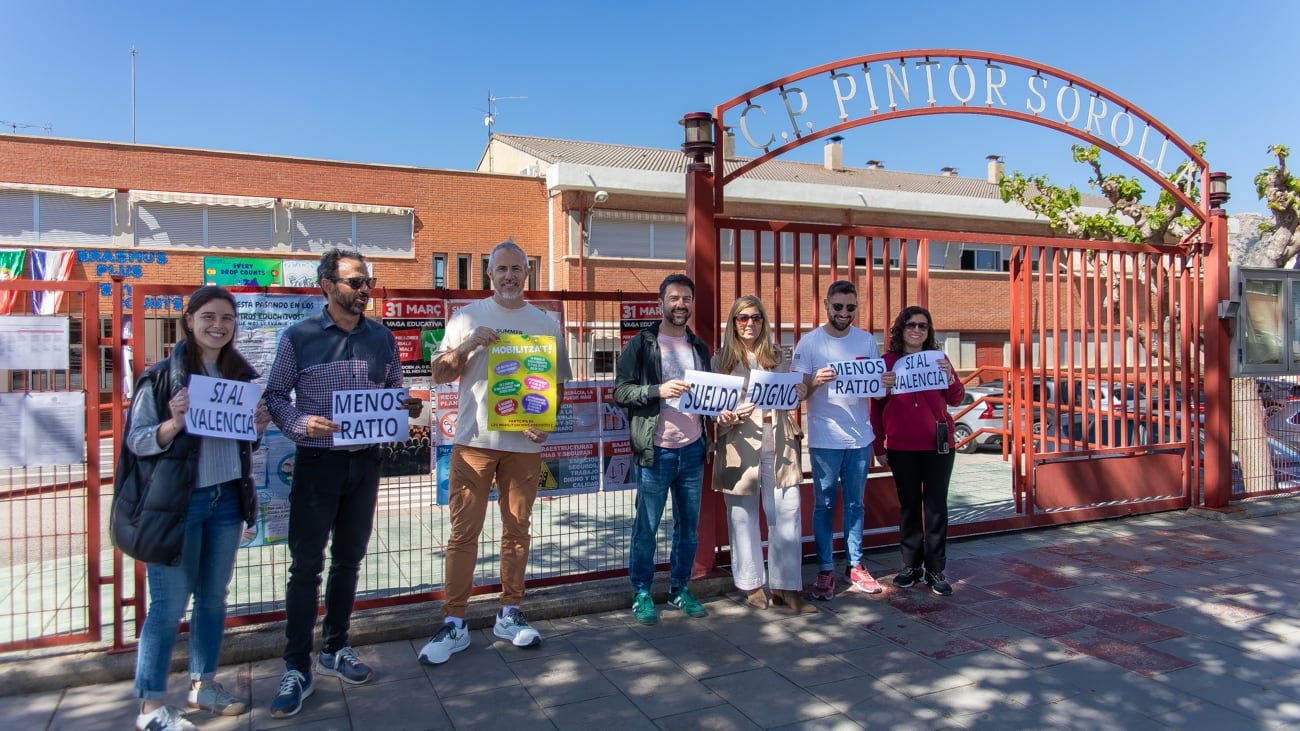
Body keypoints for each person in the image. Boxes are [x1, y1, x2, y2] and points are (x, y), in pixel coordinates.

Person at [264, 248, 422, 718]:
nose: (365, 290)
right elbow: (275, 394)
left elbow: (393, 389)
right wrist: (299, 424)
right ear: (327, 286)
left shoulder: (382, 338)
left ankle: (335, 648)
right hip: (317, 465)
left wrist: (405, 406)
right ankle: (296, 666)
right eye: (356, 282)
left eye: (368, 281)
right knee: (306, 566)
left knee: (349, 561)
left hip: (365, 465)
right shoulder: (299, 337)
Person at [417, 240, 572, 665]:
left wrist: (546, 421)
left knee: (517, 531)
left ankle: (509, 612)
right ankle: (454, 621)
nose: (508, 276)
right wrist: (468, 345)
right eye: (500, 269)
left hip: (523, 447)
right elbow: (439, 374)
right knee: (463, 534)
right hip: (474, 444)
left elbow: (557, 384)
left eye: (516, 269)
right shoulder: (467, 316)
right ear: (489, 274)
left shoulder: (545, 322)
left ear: (527, 274)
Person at [126, 286, 270, 731]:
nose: (218, 326)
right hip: (177, 506)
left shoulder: (240, 377)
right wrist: (173, 422)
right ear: (188, 320)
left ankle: (202, 684)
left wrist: (257, 428)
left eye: (227, 318)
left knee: (212, 599)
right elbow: (137, 441)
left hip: (226, 499)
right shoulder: (160, 377)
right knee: (168, 607)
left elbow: (241, 442)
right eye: (208, 316)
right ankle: (150, 708)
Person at [615, 273, 712, 625]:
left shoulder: (699, 347)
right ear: (661, 302)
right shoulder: (642, 344)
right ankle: (641, 591)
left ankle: (678, 589)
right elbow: (620, 391)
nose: (680, 304)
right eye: (674, 298)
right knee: (647, 526)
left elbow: (709, 397)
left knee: (688, 528)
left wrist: (721, 409)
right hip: (655, 451)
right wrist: (658, 390)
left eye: (686, 298)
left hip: (693, 450)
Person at [712, 295, 817, 615]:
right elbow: (714, 407)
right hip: (740, 443)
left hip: (779, 439)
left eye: (755, 318)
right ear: (733, 323)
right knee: (742, 515)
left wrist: (801, 392)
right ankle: (752, 584)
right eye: (742, 318)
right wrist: (725, 415)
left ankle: (786, 586)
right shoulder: (721, 360)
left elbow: (794, 393)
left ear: (763, 322)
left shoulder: (777, 355)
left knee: (787, 512)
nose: (749, 324)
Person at [791, 280, 884, 600]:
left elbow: (876, 386)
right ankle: (826, 570)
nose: (844, 312)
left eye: (851, 307)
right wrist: (815, 381)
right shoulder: (810, 343)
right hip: (825, 439)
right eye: (838, 306)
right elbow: (797, 393)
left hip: (860, 439)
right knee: (825, 505)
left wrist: (883, 381)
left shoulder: (867, 341)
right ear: (827, 305)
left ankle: (855, 565)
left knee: (856, 504)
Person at [871, 306, 964, 596]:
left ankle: (935, 569)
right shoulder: (887, 362)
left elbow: (957, 397)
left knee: (936, 508)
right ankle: (910, 566)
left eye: (923, 326)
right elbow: (875, 407)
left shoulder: (939, 358)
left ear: (929, 331)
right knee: (909, 507)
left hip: (938, 446)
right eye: (910, 324)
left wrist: (949, 377)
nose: (916, 330)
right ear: (901, 329)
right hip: (901, 447)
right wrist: (879, 444)